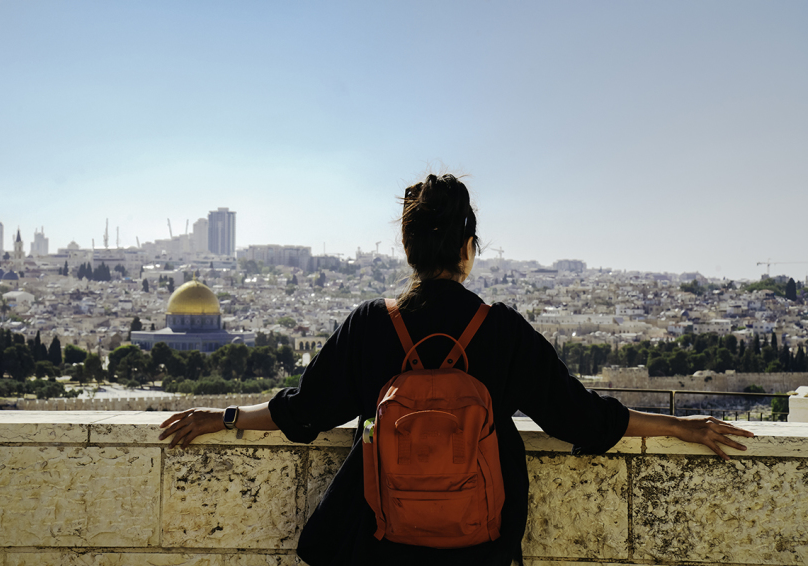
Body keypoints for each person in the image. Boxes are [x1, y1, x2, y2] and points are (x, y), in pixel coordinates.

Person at [159, 173, 754, 566]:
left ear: (409, 249)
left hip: (382, 541)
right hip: (479, 546)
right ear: (470, 248)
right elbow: (582, 418)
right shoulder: (500, 331)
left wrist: (223, 415)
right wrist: (683, 428)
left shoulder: (371, 324)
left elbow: (304, 411)